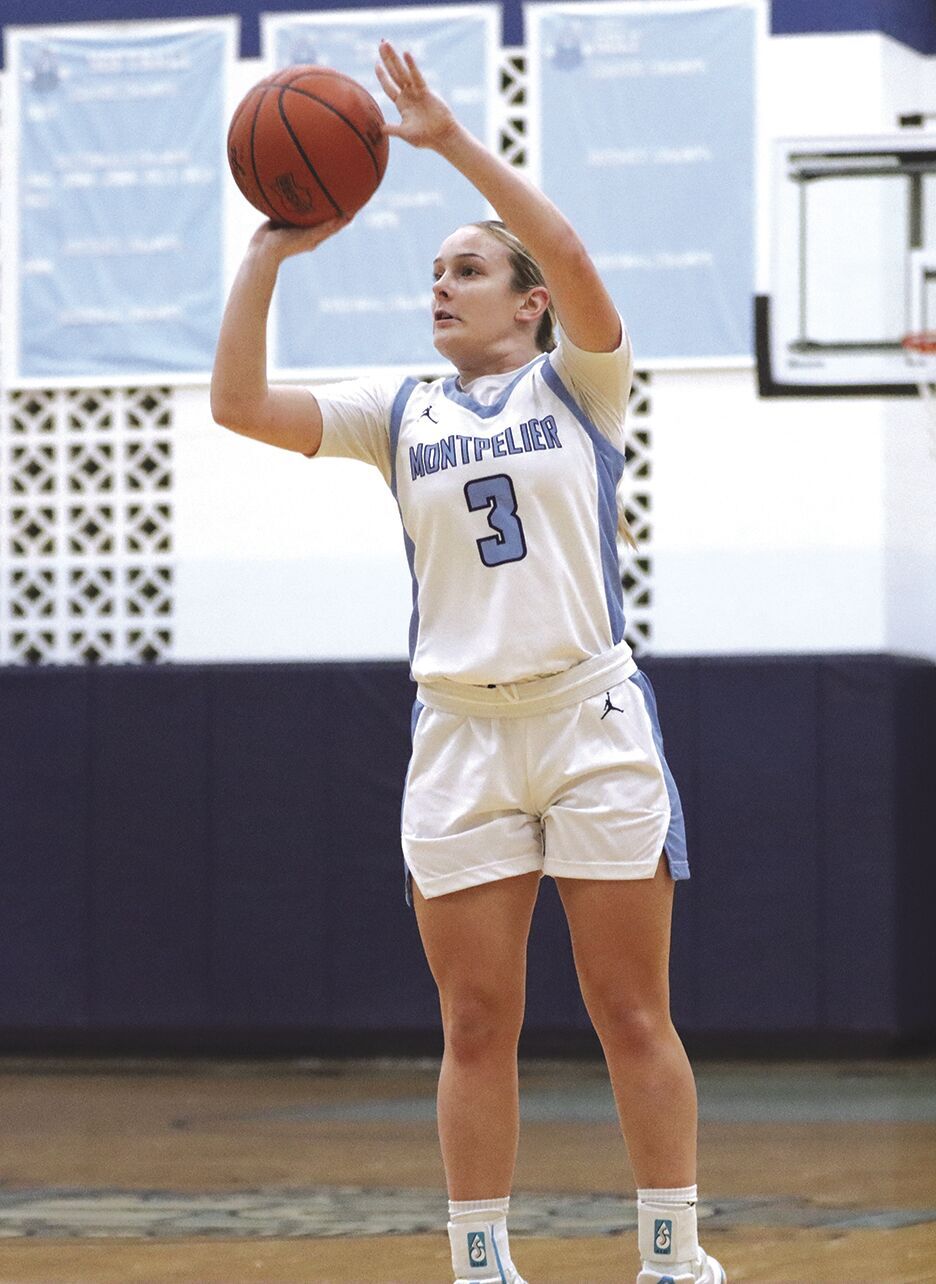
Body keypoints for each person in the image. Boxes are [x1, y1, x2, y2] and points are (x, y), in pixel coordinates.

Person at [211, 39, 725, 1284]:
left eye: (469, 269)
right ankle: (482, 1263)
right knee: (477, 1022)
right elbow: (237, 404)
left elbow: (589, 265)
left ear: (528, 298)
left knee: (629, 1013)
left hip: (588, 719)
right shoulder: (398, 413)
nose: (440, 285)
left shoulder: (581, 387)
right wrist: (266, 252)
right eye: (434, 270)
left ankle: (671, 1253)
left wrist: (445, 141)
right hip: (457, 734)